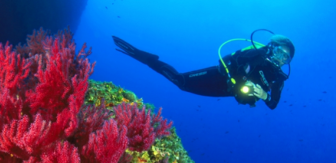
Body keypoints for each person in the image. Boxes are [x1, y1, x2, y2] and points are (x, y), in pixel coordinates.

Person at [112, 34, 294, 109]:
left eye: (286, 57)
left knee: (182, 86)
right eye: (279, 51)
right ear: (271, 47)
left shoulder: (279, 79)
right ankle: (145, 57)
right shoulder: (256, 54)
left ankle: (146, 58)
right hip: (219, 75)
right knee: (180, 80)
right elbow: (228, 61)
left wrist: (263, 94)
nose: (281, 58)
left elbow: (273, 104)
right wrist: (239, 79)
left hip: (226, 91)